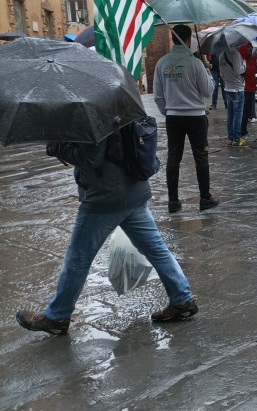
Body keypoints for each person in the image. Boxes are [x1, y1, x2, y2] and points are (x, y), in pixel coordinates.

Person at [15, 132, 200, 335]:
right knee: (156, 249)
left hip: (105, 197)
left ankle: (57, 317)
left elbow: (91, 157)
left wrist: (56, 146)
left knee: (78, 259)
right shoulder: (119, 107)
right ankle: (182, 299)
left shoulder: (93, 117)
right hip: (134, 190)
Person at [153, 24, 219, 212]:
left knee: (174, 156)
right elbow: (207, 91)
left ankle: (173, 201)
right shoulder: (195, 63)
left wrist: (168, 112)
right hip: (196, 116)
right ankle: (205, 198)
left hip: (174, 117)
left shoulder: (162, 63)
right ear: (189, 40)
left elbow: (158, 95)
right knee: (201, 156)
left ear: (172, 39)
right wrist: (208, 74)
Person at [238, 43, 257, 140]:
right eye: (248, 47)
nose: (250, 49)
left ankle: (243, 130)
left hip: (251, 87)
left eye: (251, 47)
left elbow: (254, 71)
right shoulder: (241, 58)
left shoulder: (252, 58)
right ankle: (242, 130)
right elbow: (245, 71)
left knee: (247, 111)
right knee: (244, 111)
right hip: (244, 88)